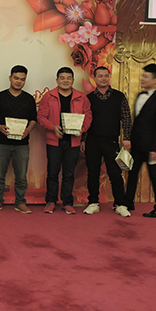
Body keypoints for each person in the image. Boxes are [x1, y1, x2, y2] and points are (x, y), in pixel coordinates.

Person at [38, 67, 92, 214]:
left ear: (73, 80)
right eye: (62, 78)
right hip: (54, 141)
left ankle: (67, 202)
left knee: (69, 174)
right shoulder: (48, 96)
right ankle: (51, 201)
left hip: (73, 142)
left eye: (68, 78)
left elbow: (88, 115)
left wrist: (82, 129)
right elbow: (41, 116)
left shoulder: (81, 97)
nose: (65, 81)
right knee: (53, 173)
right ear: (57, 80)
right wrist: (52, 127)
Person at [82, 66, 132, 217]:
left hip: (112, 141)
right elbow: (84, 120)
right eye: (100, 76)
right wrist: (83, 139)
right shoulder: (88, 98)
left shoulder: (119, 96)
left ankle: (120, 204)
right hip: (92, 141)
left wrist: (127, 138)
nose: (103, 79)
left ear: (109, 77)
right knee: (93, 174)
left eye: (106, 76)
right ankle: (93, 203)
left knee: (115, 174)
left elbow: (126, 118)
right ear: (94, 78)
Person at [0, 65, 37, 213]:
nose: (19, 81)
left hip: (22, 144)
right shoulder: (0, 97)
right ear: (10, 78)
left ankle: (20, 202)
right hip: (2, 143)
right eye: (16, 78)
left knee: (21, 176)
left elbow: (33, 119)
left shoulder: (29, 99)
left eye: (22, 79)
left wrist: (28, 130)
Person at [124, 63, 156, 217]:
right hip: (136, 145)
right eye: (142, 76)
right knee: (132, 174)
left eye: (146, 76)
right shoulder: (139, 95)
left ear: (155, 80)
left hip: (151, 147)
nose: (142, 79)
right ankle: (128, 202)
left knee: (155, 176)